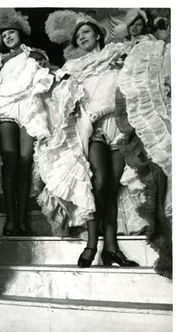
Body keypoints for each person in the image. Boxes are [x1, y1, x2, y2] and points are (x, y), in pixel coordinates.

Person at [39, 10, 145, 267]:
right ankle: (92, 243)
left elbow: (137, 73)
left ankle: (110, 248)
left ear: (98, 33)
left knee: (112, 186)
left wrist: (126, 65)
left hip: (118, 124)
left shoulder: (117, 53)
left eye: (85, 31)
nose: (82, 37)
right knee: (98, 182)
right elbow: (58, 92)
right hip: (93, 126)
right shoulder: (74, 66)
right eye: (77, 36)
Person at [0, 8, 53, 236]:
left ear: (20, 32)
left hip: (29, 107)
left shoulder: (35, 54)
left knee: (26, 160)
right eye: (3, 34)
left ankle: (22, 219)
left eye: (11, 32)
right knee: (10, 160)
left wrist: (43, 63)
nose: (7, 36)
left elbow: (49, 76)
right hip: (6, 106)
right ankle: (10, 218)